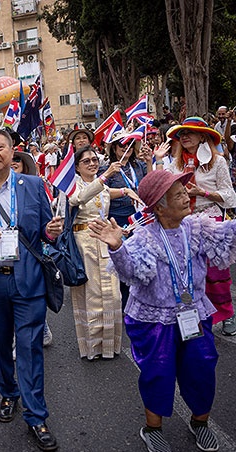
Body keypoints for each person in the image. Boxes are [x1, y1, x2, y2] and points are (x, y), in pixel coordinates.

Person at [89, 169, 226, 452]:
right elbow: (131, 273)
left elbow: (229, 236)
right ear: (160, 206)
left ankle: (199, 422)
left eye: (183, 191)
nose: (186, 196)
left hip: (194, 313)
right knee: (158, 373)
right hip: (154, 320)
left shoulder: (198, 227)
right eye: (177, 194)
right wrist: (117, 247)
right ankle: (153, 429)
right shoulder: (144, 237)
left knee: (202, 367)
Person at [0, 129, 63, 452]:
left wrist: (51, 231)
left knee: (30, 347)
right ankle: (8, 393)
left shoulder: (32, 185)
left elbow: (47, 233)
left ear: (11, 151)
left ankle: (36, 416)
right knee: (1, 346)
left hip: (28, 278)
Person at [156, 117, 236, 336]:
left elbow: (231, 197)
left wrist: (203, 193)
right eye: (182, 134)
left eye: (190, 132)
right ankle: (199, 319)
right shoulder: (177, 164)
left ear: (203, 136)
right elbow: (161, 184)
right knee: (191, 274)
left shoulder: (218, 162)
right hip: (186, 223)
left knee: (216, 273)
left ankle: (228, 314)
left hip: (212, 223)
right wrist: (158, 159)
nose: (185, 136)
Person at [68, 147, 133, 360]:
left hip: (105, 242)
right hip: (84, 244)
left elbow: (104, 203)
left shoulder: (103, 186)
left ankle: (110, 347)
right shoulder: (72, 185)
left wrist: (124, 192)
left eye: (95, 159)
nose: (92, 163)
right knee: (92, 295)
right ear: (77, 166)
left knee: (113, 295)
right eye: (86, 161)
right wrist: (105, 177)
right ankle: (93, 348)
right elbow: (76, 200)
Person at [102, 130, 151, 309]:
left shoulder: (138, 165)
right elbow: (101, 193)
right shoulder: (105, 169)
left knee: (141, 258)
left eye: (130, 143)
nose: (126, 148)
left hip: (139, 218)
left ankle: (142, 299)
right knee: (122, 260)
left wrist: (150, 161)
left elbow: (149, 184)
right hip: (118, 218)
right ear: (114, 148)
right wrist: (122, 190)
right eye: (122, 144)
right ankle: (124, 302)